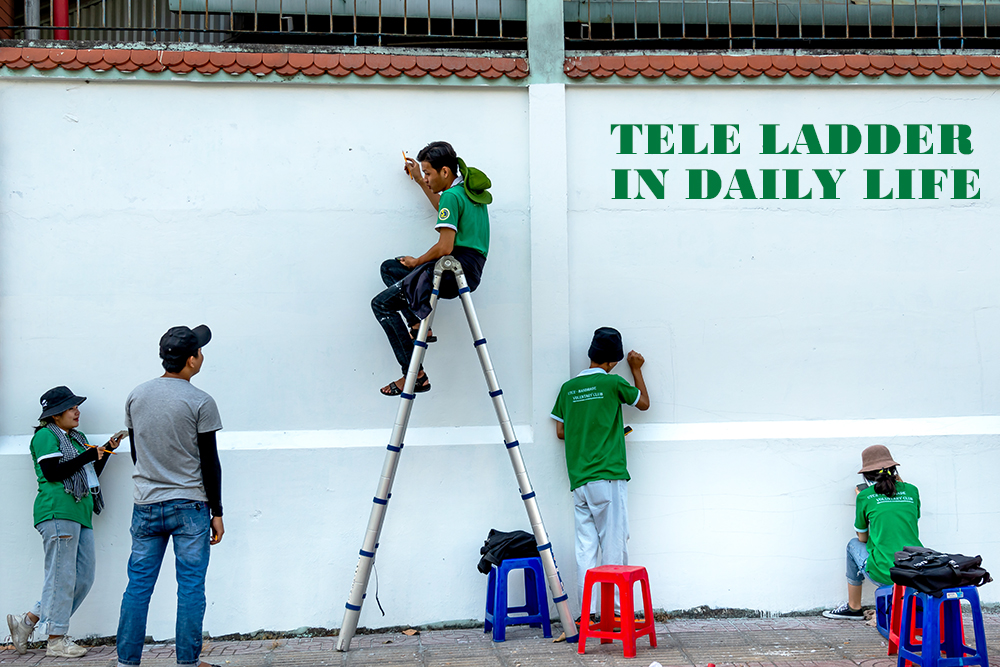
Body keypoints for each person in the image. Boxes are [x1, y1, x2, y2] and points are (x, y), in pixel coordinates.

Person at [116, 325, 225, 667]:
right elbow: (210, 462)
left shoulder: (137, 395)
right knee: (190, 587)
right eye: (200, 352)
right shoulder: (200, 401)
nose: (202, 356)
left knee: (138, 586)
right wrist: (217, 511)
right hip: (190, 506)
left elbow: (138, 452)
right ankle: (187, 663)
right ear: (192, 360)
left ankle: (126, 662)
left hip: (146, 503)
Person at [7, 386, 123, 658]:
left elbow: (89, 472)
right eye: (71, 408)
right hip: (57, 510)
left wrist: (104, 451)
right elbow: (53, 471)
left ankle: (27, 623)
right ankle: (56, 640)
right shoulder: (45, 436)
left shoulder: (78, 438)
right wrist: (88, 455)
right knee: (61, 577)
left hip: (80, 512)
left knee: (82, 577)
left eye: (76, 407)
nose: (77, 411)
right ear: (56, 414)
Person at [372, 140, 492, 396]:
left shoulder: (451, 195)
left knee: (381, 305)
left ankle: (414, 375)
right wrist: (417, 180)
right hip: (469, 270)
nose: (426, 178)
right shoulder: (466, 192)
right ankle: (418, 325)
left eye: (428, 173)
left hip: (451, 270)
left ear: (445, 172)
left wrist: (417, 261)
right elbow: (443, 208)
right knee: (390, 269)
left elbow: (445, 247)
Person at [550, 327, 650, 608]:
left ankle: (586, 612)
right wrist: (637, 369)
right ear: (613, 362)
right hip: (608, 475)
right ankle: (616, 612)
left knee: (586, 548)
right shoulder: (613, 383)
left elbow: (560, 431)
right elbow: (643, 403)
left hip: (580, 480)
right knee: (614, 546)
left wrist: (586, 432)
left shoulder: (568, 388)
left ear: (591, 355)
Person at [823, 444, 921, 619]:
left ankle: (854, 608)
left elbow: (862, 537)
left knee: (852, 545)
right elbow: (911, 522)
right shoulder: (912, 491)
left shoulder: (865, 496)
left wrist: (865, 498)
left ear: (867, 476)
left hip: (886, 573)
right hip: (913, 571)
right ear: (894, 469)